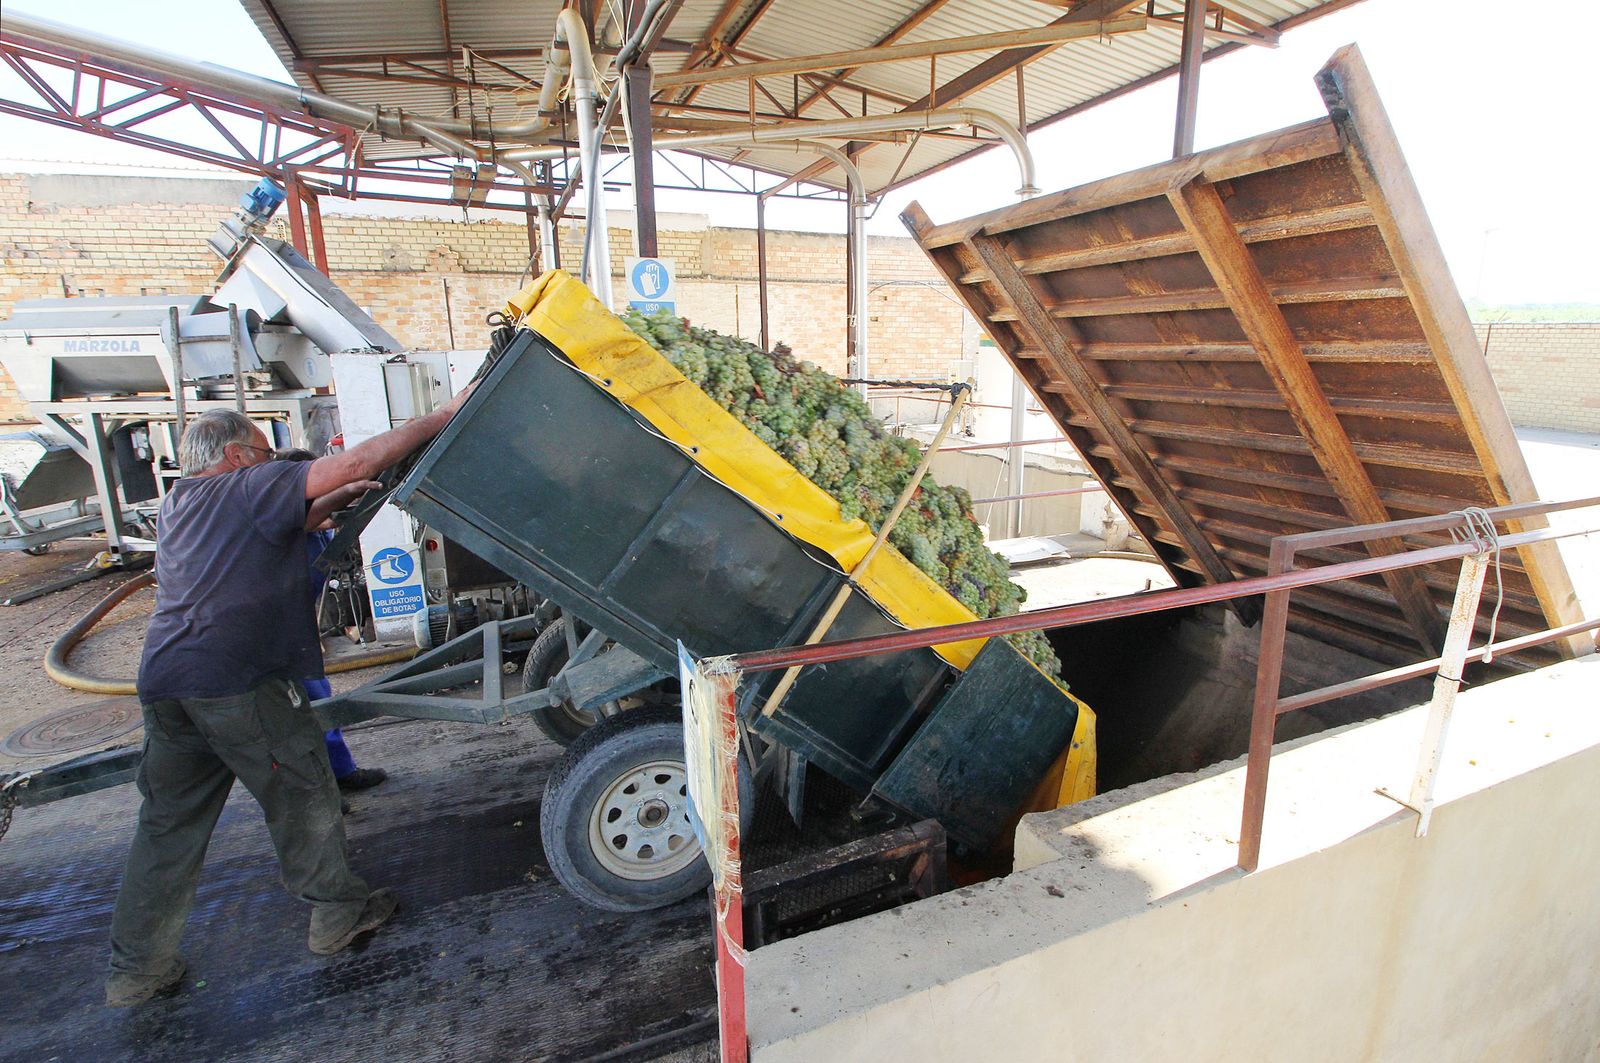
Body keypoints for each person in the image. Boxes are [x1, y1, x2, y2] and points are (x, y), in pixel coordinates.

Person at [105, 392, 469, 1008]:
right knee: (303, 793)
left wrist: (341, 499)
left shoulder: (181, 503)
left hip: (169, 683)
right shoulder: (246, 486)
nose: (274, 463)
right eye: (266, 453)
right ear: (236, 453)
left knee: (167, 828)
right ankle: (337, 913)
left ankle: (137, 969)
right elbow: (350, 464)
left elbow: (305, 511)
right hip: (239, 682)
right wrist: (441, 417)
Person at [273, 448, 387, 796]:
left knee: (315, 699)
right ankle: (319, 790)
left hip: (294, 629)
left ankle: (336, 775)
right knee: (300, 709)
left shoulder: (314, 529)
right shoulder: (278, 530)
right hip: (271, 636)